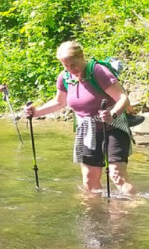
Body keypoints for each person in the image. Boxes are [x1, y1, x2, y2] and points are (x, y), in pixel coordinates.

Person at [24, 41, 136, 196]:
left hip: (112, 127)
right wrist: (36, 112)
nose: (70, 69)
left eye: (73, 64)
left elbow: (123, 98)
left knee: (117, 175)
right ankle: (96, 215)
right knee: (89, 180)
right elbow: (59, 102)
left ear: (82, 57)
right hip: (87, 131)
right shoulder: (64, 77)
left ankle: (133, 208)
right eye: (65, 65)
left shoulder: (99, 72)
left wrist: (113, 114)